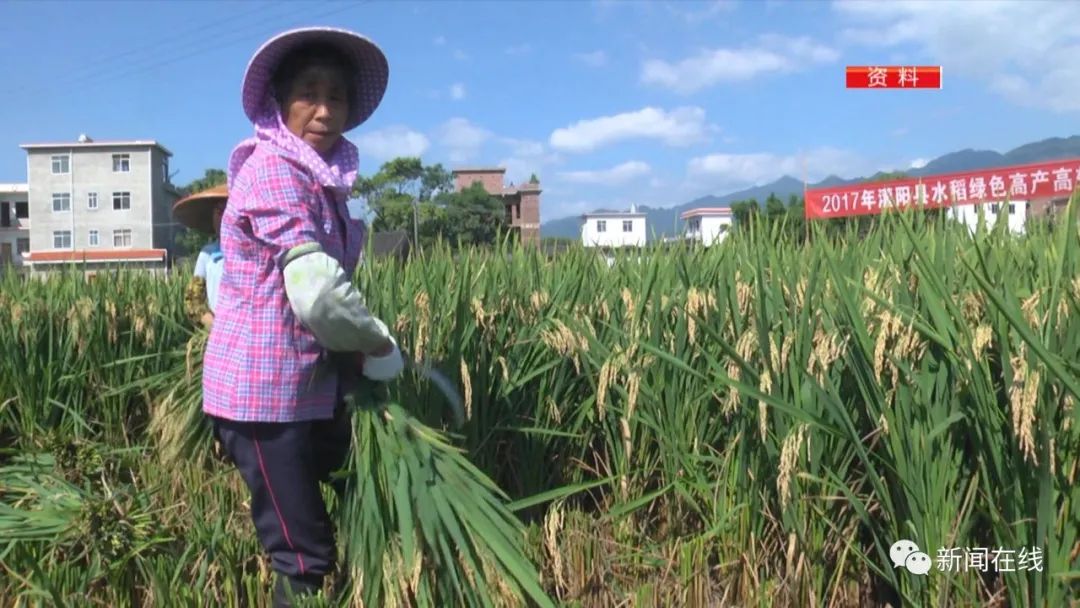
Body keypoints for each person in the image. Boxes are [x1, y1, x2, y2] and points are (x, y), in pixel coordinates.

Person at [200, 27, 404, 606]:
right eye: (308, 94)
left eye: (335, 96)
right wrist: (379, 347)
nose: (323, 109)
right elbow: (316, 293)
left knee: (338, 497)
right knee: (301, 547)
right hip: (262, 398)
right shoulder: (274, 171)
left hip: (306, 386)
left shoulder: (323, 181)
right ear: (279, 102)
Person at [173, 184, 228, 329]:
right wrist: (210, 321)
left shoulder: (255, 253)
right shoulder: (208, 254)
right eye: (218, 212)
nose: (222, 218)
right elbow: (193, 299)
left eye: (227, 211)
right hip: (216, 330)